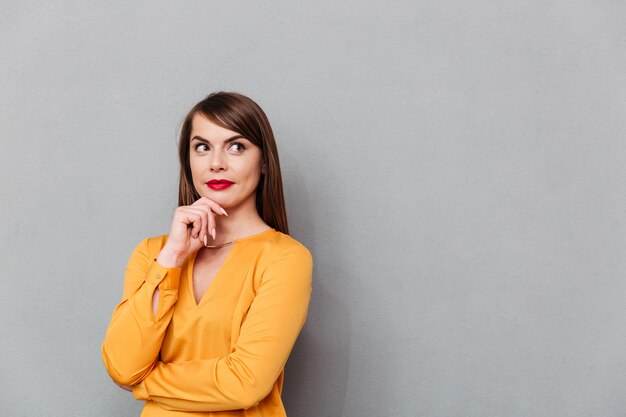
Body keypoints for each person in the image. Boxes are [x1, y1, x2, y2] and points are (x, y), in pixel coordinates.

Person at [101, 91, 313, 417]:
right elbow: (122, 364)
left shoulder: (285, 259)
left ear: (265, 161)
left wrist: (144, 381)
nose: (216, 163)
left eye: (236, 146)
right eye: (202, 147)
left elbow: (245, 383)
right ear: (188, 160)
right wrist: (171, 256)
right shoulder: (151, 254)